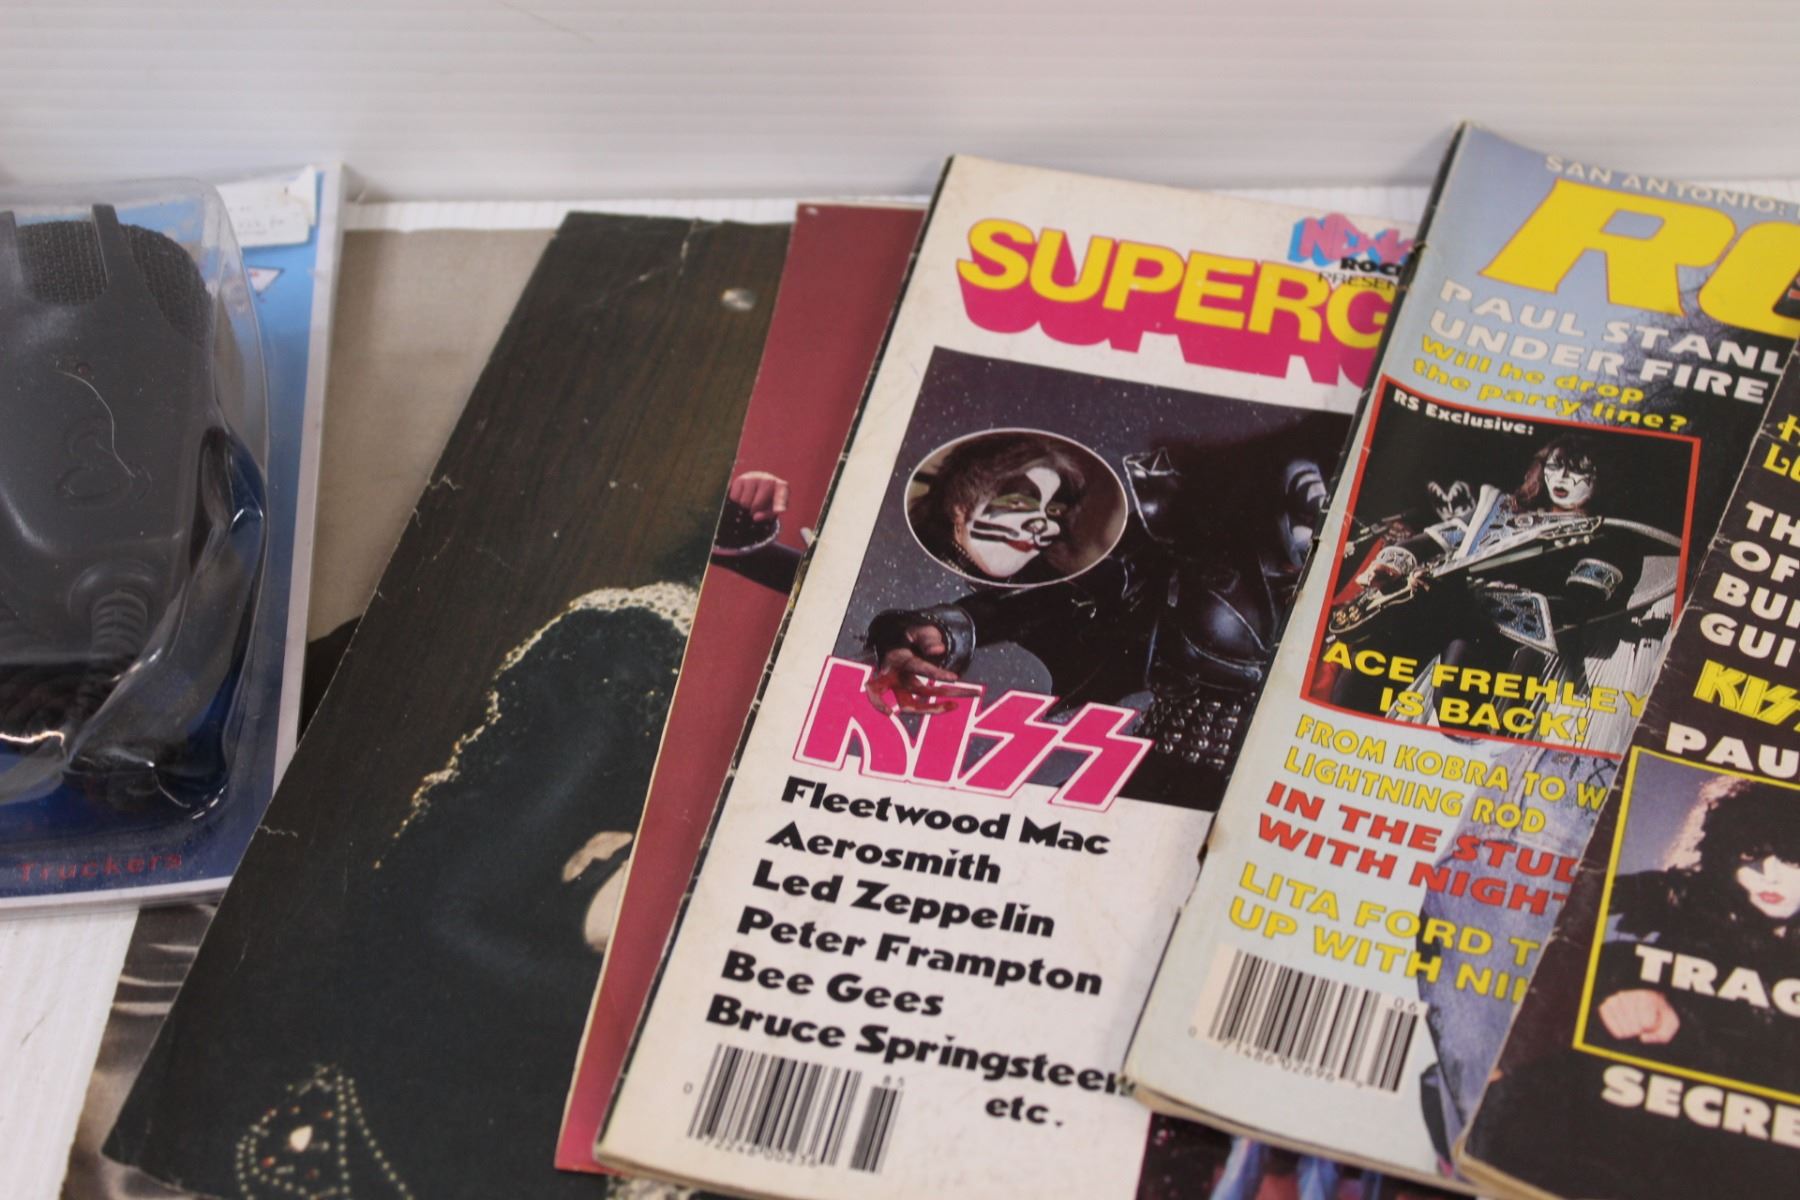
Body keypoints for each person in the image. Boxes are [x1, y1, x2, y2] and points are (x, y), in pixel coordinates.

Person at [865, 429, 1337, 810]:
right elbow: (1032, 604)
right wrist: (934, 628)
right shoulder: (1187, 558)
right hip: (1169, 778)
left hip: (1295, 792)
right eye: (1310, 494)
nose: (1044, 524)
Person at [1322, 433, 1676, 723]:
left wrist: (1488, 601)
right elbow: (1432, 540)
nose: (1563, 478)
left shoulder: (1607, 537)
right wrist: (1391, 565)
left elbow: (1580, 605)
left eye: (1579, 470)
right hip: (1433, 601)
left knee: (1455, 691)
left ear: (1606, 477)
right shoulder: (1502, 507)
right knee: (1361, 672)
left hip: (1498, 629)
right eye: (1556, 465)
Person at [1590, 774, 1800, 1087]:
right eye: (1751, 855)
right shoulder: (1693, 918)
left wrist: (1685, 1024)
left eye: (1793, 860)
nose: (1769, 875)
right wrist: (1628, 996)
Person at [906, 432, 1091, 584]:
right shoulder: (910, 569)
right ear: (960, 508)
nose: (1040, 524)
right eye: (1018, 503)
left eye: (1054, 511)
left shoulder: (1057, 594)